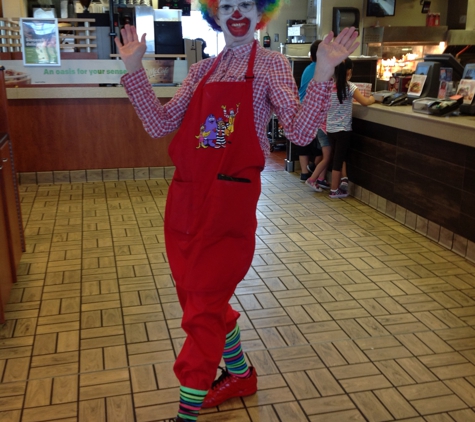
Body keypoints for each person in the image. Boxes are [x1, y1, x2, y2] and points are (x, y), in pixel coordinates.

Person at [114, 0, 359, 419]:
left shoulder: (271, 64)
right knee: (195, 297)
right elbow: (159, 124)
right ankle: (241, 375)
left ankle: (187, 414)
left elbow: (300, 131)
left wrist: (322, 73)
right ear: (216, 14)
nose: (237, 11)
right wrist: (135, 70)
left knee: (204, 308)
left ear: (260, 12)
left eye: (246, 3)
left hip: (230, 203)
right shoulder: (202, 70)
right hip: (187, 199)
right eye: (227, 4)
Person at [323, 58, 375, 199]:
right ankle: (334, 190)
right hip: (343, 130)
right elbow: (364, 102)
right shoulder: (350, 87)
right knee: (338, 161)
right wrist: (373, 98)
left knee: (337, 157)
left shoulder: (329, 87)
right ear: (349, 71)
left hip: (330, 129)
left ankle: (342, 181)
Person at [295, 39, 324, 183]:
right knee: (321, 145)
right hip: (315, 111)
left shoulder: (308, 69)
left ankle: (305, 172)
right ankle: (314, 167)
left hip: (302, 109)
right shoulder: (325, 70)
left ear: (311, 56)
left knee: (303, 144)